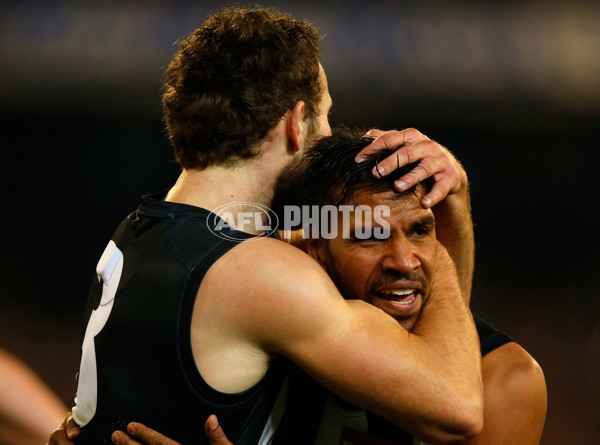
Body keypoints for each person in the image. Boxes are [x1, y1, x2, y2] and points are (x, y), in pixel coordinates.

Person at [49, 7, 483, 445]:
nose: (329, 135)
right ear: (296, 123)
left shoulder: (141, 229)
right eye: (325, 115)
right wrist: (428, 233)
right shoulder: (260, 274)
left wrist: (453, 201)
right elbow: (457, 407)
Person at [80, 130, 546, 445]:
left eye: (421, 230)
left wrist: (450, 216)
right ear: (311, 247)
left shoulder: (506, 383)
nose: (404, 261)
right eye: (368, 235)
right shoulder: (278, 320)